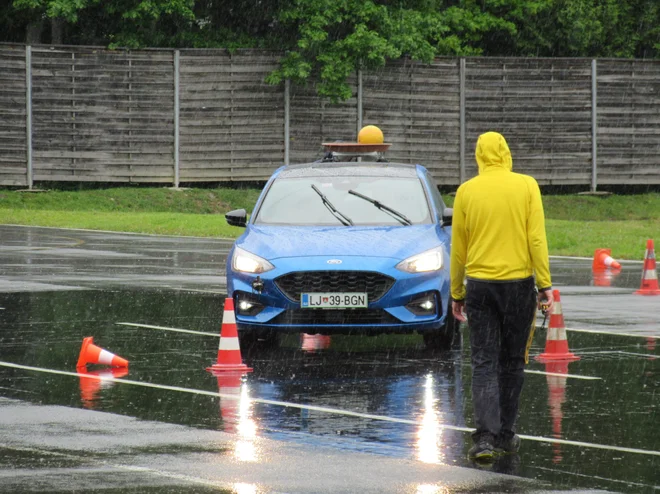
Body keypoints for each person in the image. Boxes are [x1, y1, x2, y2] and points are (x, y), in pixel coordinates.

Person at [449, 131, 554, 462]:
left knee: (483, 361)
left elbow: (458, 247)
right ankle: (506, 434)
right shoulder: (526, 186)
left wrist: (456, 292)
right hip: (519, 286)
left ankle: (483, 438)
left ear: (479, 155)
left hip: (479, 286)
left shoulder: (466, 192)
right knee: (512, 361)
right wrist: (545, 285)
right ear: (507, 153)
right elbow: (536, 238)